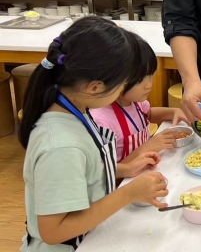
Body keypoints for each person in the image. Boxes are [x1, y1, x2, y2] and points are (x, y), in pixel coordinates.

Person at [20, 17, 169, 252]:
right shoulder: (61, 147)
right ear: (95, 87)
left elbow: (84, 170)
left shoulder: (75, 108)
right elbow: (53, 231)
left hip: (93, 233)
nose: (124, 91)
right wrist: (128, 194)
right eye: (123, 84)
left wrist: (124, 169)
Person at [90, 33, 191, 163]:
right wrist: (147, 147)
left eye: (150, 75)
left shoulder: (135, 102)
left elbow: (149, 114)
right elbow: (106, 171)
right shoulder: (101, 121)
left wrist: (173, 112)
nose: (149, 85)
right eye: (140, 79)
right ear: (115, 78)